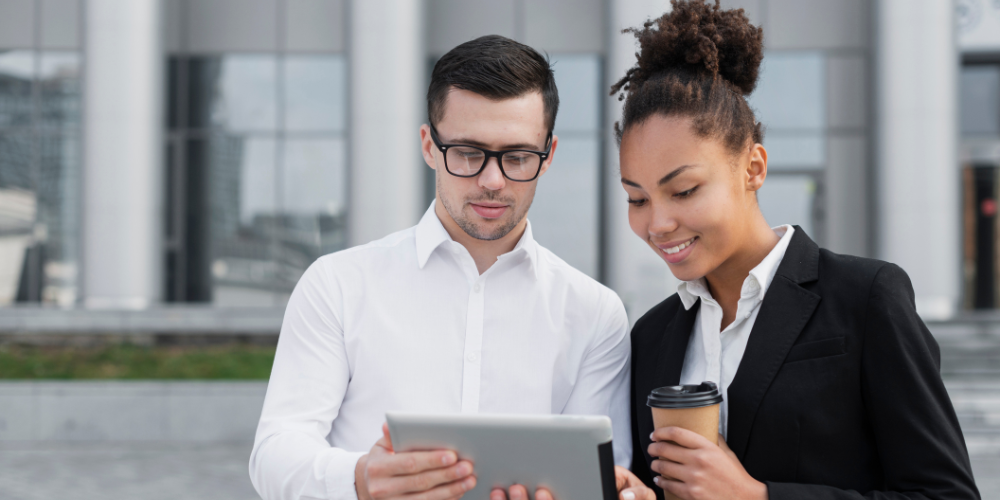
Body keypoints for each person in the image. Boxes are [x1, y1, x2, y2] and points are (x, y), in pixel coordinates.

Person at [250, 35, 650, 500]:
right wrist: (358, 479)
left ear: (549, 156)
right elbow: (274, 454)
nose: (492, 181)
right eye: (467, 153)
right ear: (428, 146)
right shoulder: (336, 285)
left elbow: (601, 476)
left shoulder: (595, 314)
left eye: (518, 157)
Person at [614, 1, 981, 499]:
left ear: (753, 168)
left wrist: (759, 497)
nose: (657, 223)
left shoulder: (865, 299)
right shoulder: (651, 335)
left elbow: (947, 495)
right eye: (637, 198)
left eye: (683, 191)